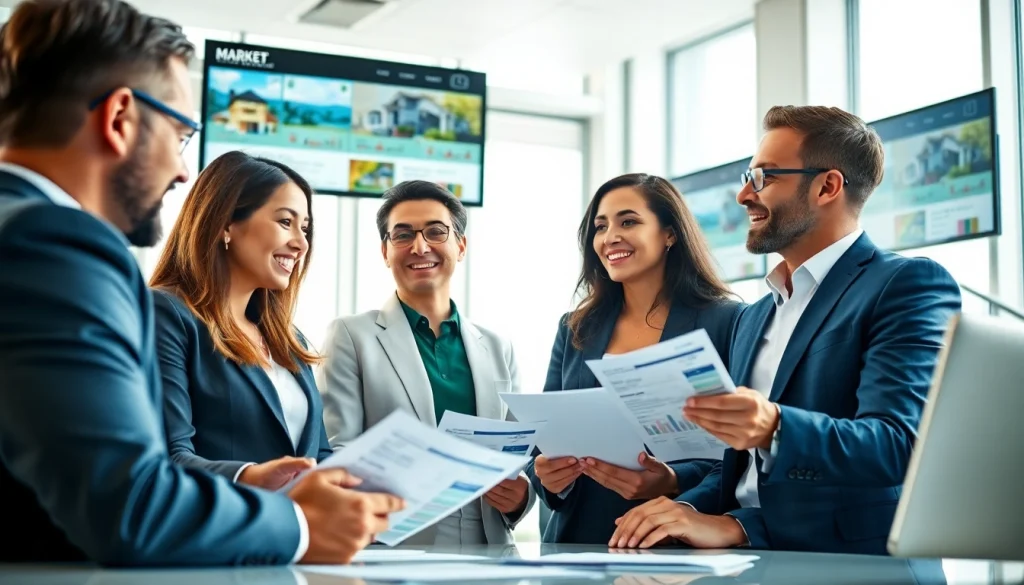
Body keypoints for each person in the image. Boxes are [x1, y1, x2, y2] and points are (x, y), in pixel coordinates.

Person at [0, 0, 401, 566]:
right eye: (181, 134)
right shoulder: (54, 242)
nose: (184, 170)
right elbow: (130, 503)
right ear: (119, 118)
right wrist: (300, 524)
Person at [610, 105, 962, 555]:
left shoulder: (905, 284)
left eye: (765, 177)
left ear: (827, 186)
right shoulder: (753, 316)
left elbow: (897, 447)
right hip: (749, 557)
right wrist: (682, 511)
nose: (743, 195)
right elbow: (737, 469)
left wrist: (774, 426)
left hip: (853, 569)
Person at [526, 173, 744, 545]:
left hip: (675, 541)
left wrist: (674, 480)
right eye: (600, 226)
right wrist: (546, 476)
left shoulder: (728, 320)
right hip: (579, 543)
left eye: (629, 221)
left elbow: (741, 450)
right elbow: (541, 445)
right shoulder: (576, 329)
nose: (610, 237)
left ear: (670, 233)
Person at [318, 180, 535, 546]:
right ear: (385, 251)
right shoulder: (351, 335)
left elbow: (517, 457)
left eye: (436, 231)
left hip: (491, 552)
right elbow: (339, 452)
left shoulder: (498, 347)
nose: (420, 246)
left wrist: (520, 498)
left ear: (461, 245)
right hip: (394, 548)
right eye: (402, 235)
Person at [149, 151, 333, 490]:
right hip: (214, 535)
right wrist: (249, 477)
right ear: (226, 224)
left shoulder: (289, 341)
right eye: (285, 222)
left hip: (291, 537)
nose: (301, 243)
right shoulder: (167, 314)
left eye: (304, 228)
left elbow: (317, 456)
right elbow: (166, 455)